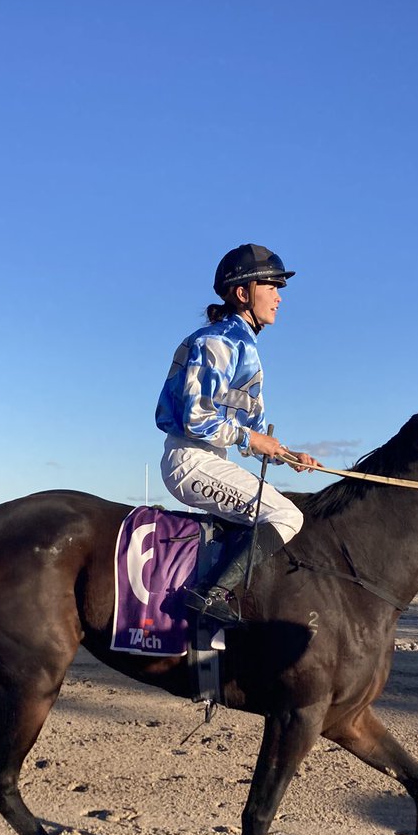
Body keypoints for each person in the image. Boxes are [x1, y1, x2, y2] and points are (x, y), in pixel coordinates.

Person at [155, 243, 322, 625]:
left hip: (213, 460)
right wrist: (250, 440)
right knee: (286, 517)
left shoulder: (244, 345)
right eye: (272, 287)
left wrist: (288, 455)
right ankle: (206, 595)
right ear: (243, 293)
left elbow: (253, 431)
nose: (279, 298)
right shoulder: (217, 341)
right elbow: (197, 418)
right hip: (191, 460)